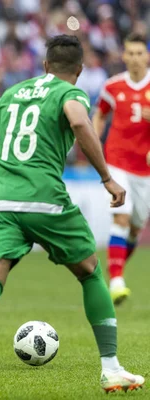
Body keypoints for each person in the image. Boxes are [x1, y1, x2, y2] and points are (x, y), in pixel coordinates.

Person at [0, 35, 144, 393]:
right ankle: (111, 368)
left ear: (44, 66)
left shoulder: (13, 93)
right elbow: (77, 121)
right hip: (44, 197)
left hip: (0, 201)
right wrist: (106, 177)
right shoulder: (70, 93)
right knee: (90, 272)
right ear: (78, 70)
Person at [92, 32, 150, 305]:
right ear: (124, 56)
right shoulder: (112, 86)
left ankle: (115, 270)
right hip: (117, 162)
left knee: (135, 229)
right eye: (131, 53)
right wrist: (92, 140)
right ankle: (116, 282)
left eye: (141, 53)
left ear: (146, 56)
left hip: (145, 170)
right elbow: (100, 113)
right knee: (122, 219)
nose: (136, 58)